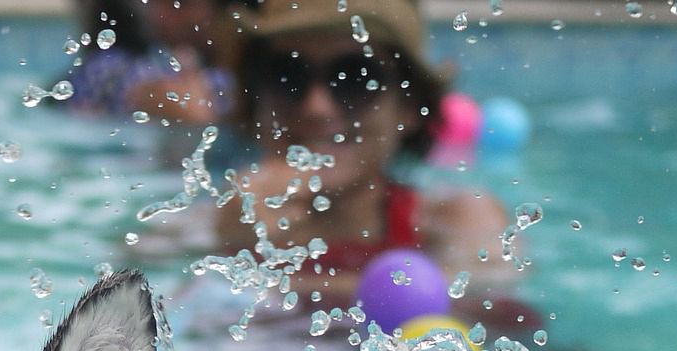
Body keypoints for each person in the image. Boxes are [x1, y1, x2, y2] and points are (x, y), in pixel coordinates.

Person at [213, 0, 533, 333]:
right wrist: (231, 248)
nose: (317, 107)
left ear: (409, 108)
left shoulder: (455, 223)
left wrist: (256, 281)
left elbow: (500, 323)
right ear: (255, 103)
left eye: (354, 77)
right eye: (287, 76)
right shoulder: (218, 224)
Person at [67, 0, 231, 127]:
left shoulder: (231, 73)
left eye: (183, 4)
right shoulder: (114, 67)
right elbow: (192, 112)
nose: (165, 15)